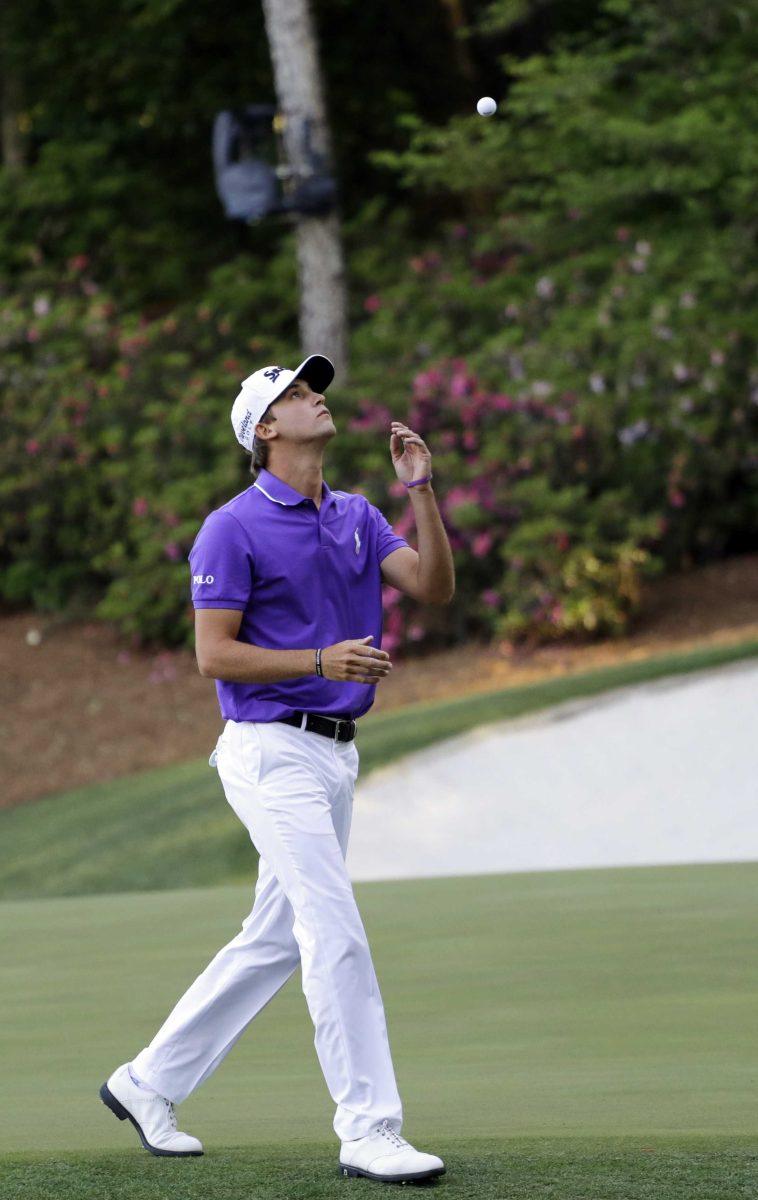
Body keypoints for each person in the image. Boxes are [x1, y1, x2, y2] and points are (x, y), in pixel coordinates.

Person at [99, 354, 455, 1183]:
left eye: (312, 387)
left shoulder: (360, 513)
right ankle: (370, 1128)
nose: (315, 397)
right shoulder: (232, 525)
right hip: (266, 750)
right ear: (264, 430)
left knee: (273, 940)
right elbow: (211, 654)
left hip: (335, 756)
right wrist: (322, 660)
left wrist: (423, 489)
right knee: (332, 931)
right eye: (294, 394)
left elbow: (434, 588)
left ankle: (147, 1082)